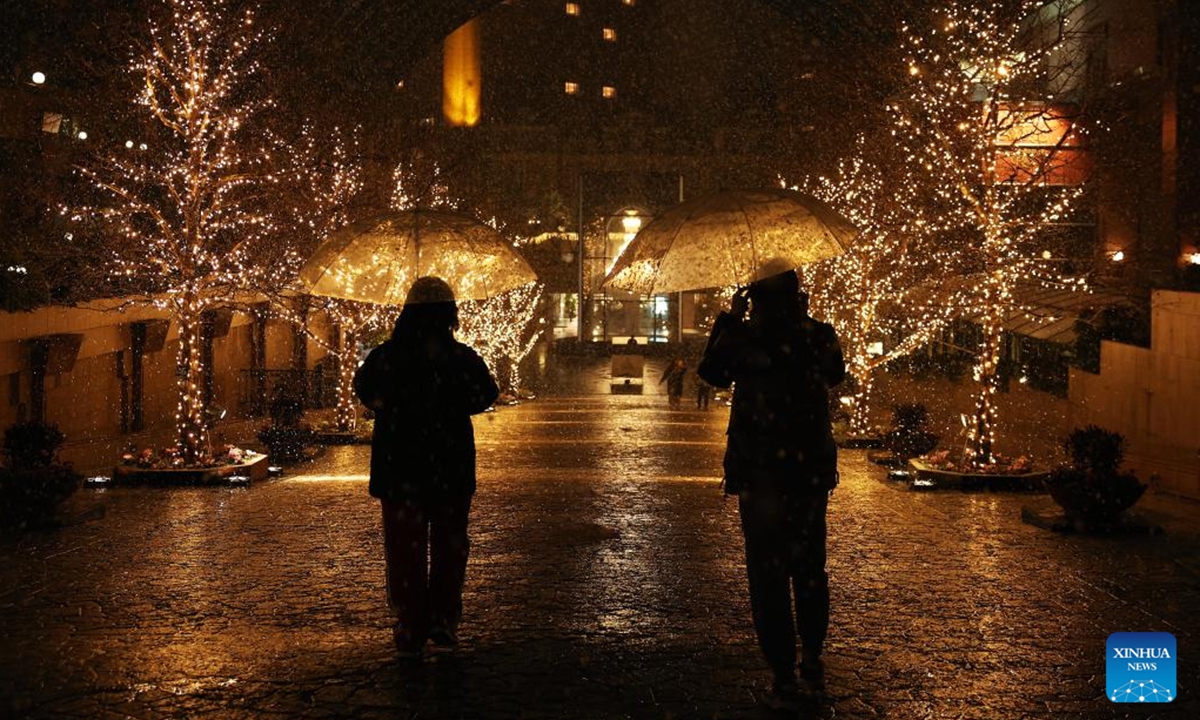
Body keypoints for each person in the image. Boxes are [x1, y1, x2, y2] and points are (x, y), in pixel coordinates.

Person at [698, 265, 845, 709]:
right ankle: (813, 659)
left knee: (767, 572)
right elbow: (835, 374)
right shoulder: (817, 334)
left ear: (756, 297)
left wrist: (729, 319)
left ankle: (782, 671)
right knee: (809, 564)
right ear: (797, 294)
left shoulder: (745, 336)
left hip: (760, 469)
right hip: (808, 468)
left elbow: (713, 373)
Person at [353, 276, 499, 658]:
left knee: (405, 546)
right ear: (450, 315)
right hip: (448, 463)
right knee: (450, 544)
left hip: (400, 465)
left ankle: (410, 620)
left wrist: (398, 406)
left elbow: (366, 391)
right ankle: (443, 617)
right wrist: (448, 405)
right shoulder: (461, 358)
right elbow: (485, 394)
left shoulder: (387, 356)